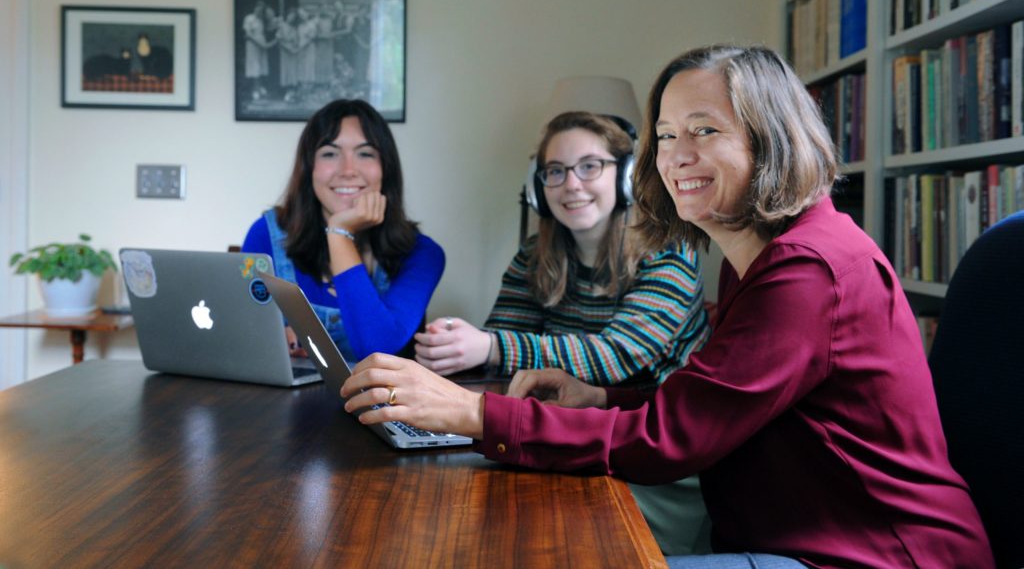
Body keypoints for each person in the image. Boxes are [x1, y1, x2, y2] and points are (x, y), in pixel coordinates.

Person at [339, 45, 994, 568]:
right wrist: (600, 400)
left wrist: (470, 410)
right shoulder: (766, 256)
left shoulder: (809, 272)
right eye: (669, 133)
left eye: (705, 131)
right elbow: (707, 397)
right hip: (800, 539)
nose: (678, 155)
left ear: (771, 138)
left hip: (871, 556)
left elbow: (671, 439)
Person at [414, 111, 710, 386]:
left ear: (626, 177)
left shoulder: (670, 252)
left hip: (654, 425)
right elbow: (504, 342)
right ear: (538, 189)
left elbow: (617, 355)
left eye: (589, 166)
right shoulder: (533, 256)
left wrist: (490, 347)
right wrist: (454, 348)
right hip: (567, 420)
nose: (571, 184)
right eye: (555, 171)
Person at [242, 98, 444, 362]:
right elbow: (241, 330)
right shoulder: (266, 235)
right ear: (309, 168)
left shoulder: (423, 254)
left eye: (365, 153)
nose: (348, 170)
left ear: (386, 169)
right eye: (329, 153)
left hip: (377, 403)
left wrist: (339, 232)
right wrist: (271, 338)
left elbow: (376, 349)